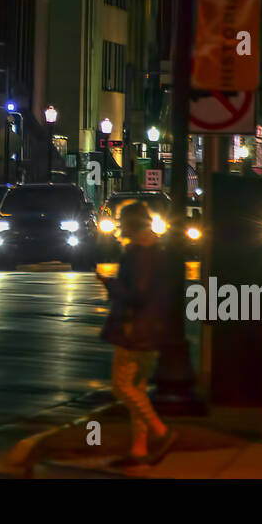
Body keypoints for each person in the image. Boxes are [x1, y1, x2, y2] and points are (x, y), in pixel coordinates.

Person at [97, 199, 178, 466]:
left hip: (135, 328)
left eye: (123, 222)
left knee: (122, 386)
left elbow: (137, 294)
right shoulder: (155, 250)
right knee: (138, 388)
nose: (120, 227)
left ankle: (161, 431)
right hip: (152, 328)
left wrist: (111, 284)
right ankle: (139, 450)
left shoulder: (138, 254)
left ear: (131, 224)